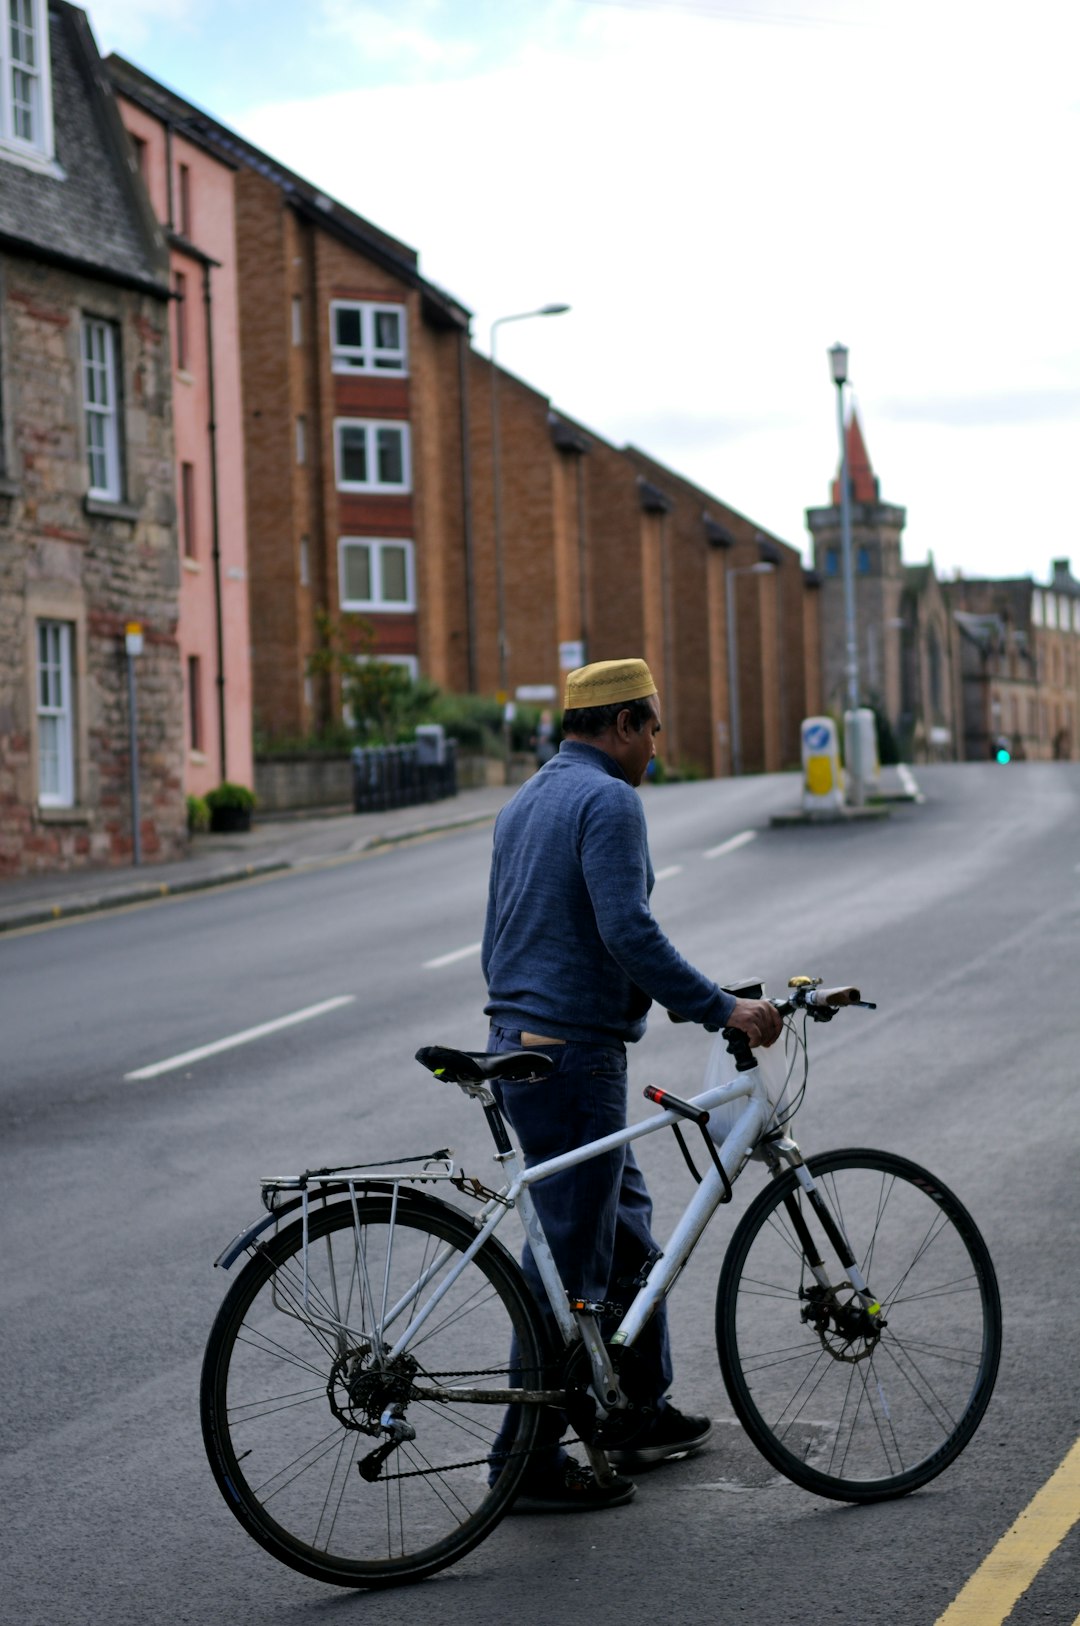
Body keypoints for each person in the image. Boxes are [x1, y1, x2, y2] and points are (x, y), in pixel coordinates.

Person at [482, 657, 782, 1511]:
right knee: (566, 1268)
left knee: (622, 1235)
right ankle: (524, 1464)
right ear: (620, 725)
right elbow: (628, 931)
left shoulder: (527, 799)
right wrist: (721, 1006)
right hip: (571, 1059)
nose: (656, 743)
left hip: (521, 1042)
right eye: (652, 726)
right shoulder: (609, 800)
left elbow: (507, 934)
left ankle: (637, 1410)